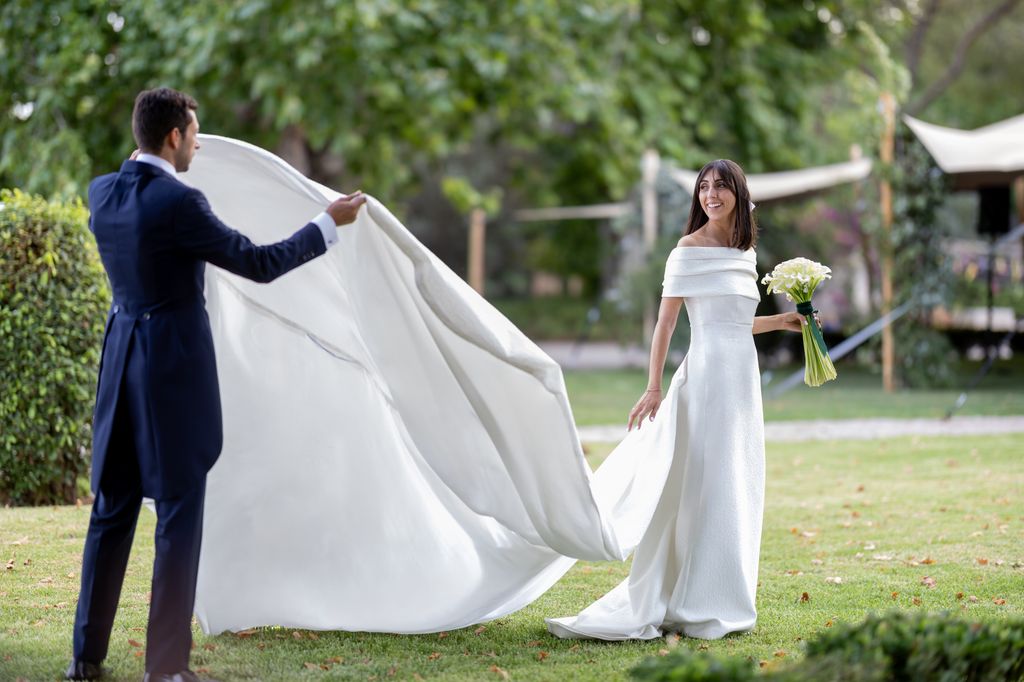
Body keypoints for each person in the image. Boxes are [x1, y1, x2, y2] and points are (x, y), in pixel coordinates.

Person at [65, 87, 366, 682]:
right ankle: (166, 669)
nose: (198, 144)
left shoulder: (102, 194)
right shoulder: (181, 203)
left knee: (111, 513)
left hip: (119, 367)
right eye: (195, 133)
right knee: (177, 516)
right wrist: (325, 224)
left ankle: (85, 660)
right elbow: (257, 263)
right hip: (169, 377)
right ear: (174, 135)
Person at [546, 159, 810, 640]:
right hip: (705, 380)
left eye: (721, 187)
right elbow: (668, 325)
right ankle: (690, 601)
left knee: (735, 482)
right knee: (703, 486)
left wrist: (780, 321)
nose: (712, 195)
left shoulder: (745, 252)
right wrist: (653, 386)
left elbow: (731, 322)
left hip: (741, 383)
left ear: (738, 193)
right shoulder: (687, 251)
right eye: (704, 188)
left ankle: (722, 596)